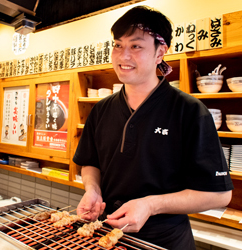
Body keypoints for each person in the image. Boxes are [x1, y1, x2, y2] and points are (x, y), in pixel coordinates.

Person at [73, 5, 233, 250]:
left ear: (161, 52)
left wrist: (151, 205)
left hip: (165, 241)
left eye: (136, 46)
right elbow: (90, 162)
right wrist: (93, 190)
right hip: (108, 236)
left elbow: (219, 194)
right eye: (118, 45)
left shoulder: (189, 111)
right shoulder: (101, 110)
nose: (123, 56)